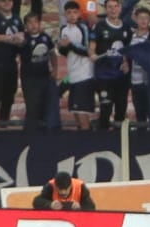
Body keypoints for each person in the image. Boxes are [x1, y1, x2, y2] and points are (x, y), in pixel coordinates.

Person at [89, 0, 132, 131]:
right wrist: (92, 54)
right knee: (105, 110)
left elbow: (127, 50)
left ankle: (119, 145)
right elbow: (91, 48)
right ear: (105, 9)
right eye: (110, 7)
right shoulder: (99, 26)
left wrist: (126, 62)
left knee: (120, 111)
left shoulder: (126, 27)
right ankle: (103, 142)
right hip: (104, 77)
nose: (113, 10)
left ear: (120, 8)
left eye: (116, 6)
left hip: (121, 77)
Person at [58, 0, 96, 131]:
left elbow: (87, 50)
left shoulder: (83, 28)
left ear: (79, 13)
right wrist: (62, 47)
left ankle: (86, 139)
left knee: (82, 111)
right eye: (69, 13)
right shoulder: (63, 29)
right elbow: (64, 52)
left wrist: (70, 45)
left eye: (75, 12)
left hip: (84, 75)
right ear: (65, 15)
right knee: (75, 110)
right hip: (72, 75)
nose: (72, 15)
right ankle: (81, 137)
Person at [20, 12, 56, 131]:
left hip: (44, 76)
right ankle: (30, 132)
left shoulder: (45, 37)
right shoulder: (23, 39)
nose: (33, 25)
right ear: (25, 25)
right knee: (32, 107)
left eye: (35, 22)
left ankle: (44, 132)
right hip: (29, 78)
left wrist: (55, 69)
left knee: (45, 105)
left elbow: (52, 53)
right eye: (30, 22)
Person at [32, 171, 98, 210]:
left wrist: (80, 207)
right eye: (60, 190)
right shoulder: (50, 186)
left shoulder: (80, 186)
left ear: (70, 185)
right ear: (56, 186)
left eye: (66, 189)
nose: (63, 193)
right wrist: (50, 204)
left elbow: (91, 207)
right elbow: (36, 202)